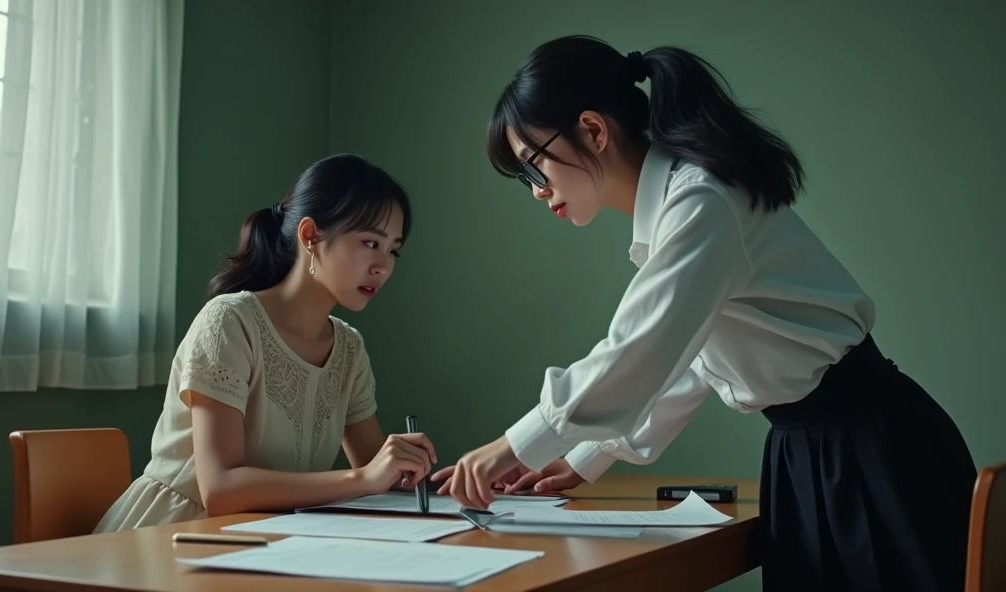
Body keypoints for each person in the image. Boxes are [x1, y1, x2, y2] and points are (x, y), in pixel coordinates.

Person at [431, 35, 976, 591]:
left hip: (863, 453)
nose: (537, 191)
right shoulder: (683, 205)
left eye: (534, 166)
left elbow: (638, 350)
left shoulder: (700, 200)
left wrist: (510, 447)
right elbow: (686, 360)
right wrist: (585, 457)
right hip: (815, 449)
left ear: (593, 131)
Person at [95, 154, 436, 531]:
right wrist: (363, 479)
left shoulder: (349, 349)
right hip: (173, 535)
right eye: (370, 242)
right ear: (310, 236)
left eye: (393, 250)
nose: (383, 266)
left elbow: (380, 474)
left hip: (270, 540)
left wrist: (443, 479)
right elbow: (221, 491)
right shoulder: (230, 321)